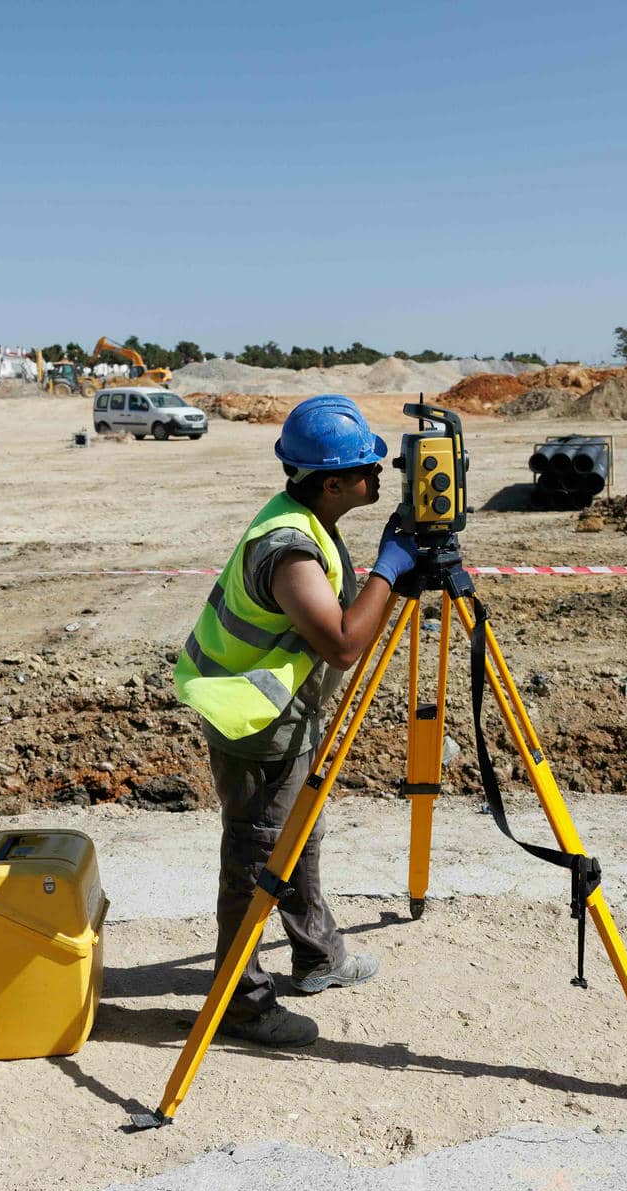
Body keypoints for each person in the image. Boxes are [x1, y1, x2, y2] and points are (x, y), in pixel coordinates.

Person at [173, 393, 421, 1047]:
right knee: (258, 856)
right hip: (255, 721)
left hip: (287, 712)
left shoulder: (311, 519)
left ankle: (318, 956)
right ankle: (242, 1003)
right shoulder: (288, 548)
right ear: (333, 482)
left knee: (297, 836)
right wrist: (392, 569)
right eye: (369, 466)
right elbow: (342, 643)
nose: (381, 473)